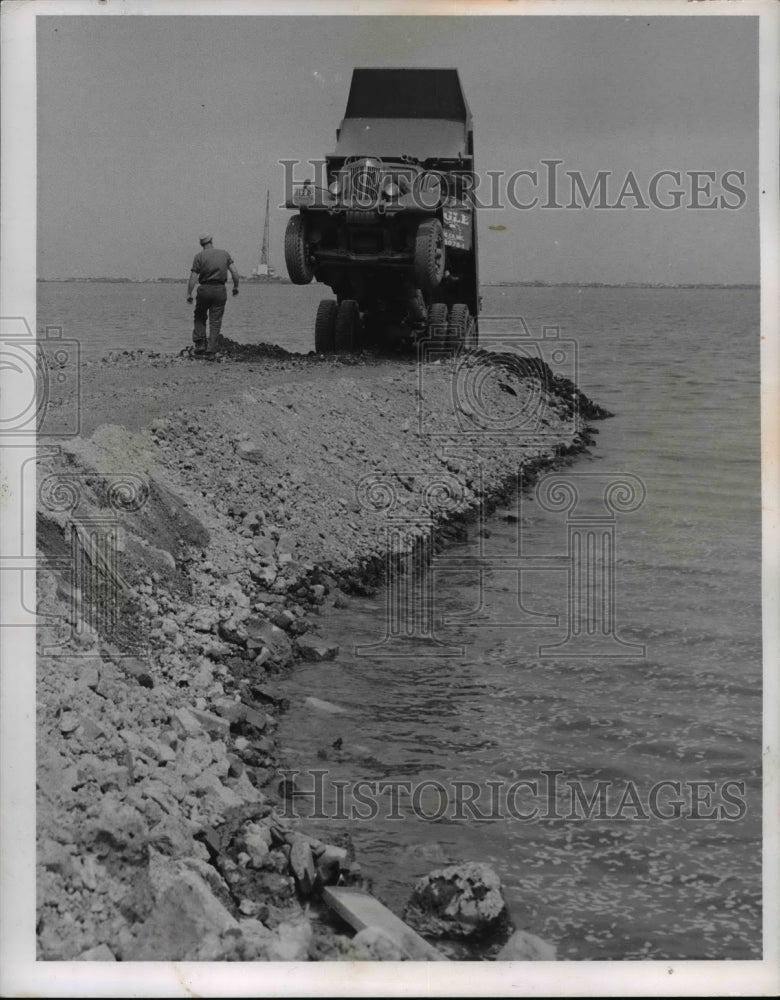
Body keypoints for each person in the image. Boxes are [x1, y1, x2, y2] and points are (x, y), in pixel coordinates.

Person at [186, 235, 240, 357]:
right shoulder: (224, 254)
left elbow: (193, 277)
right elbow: (235, 272)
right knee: (215, 321)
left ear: (201, 244)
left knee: (199, 315)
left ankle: (200, 344)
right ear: (211, 241)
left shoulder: (199, 256)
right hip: (220, 290)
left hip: (204, 289)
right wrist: (236, 287)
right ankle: (211, 350)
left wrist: (189, 293)